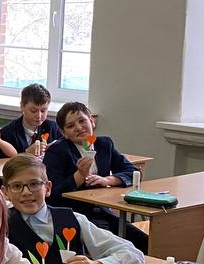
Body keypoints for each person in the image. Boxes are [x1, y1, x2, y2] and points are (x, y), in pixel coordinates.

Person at [1, 154, 143, 264]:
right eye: (17, 186)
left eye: (34, 184)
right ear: (5, 192)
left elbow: (133, 254)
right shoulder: (0, 225)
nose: (26, 192)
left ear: (48, 188)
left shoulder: (73, 219)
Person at [42, 101, 146, 250]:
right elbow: (52, 194)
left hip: (103, 211)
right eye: (70, 126)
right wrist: (79, 175)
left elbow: (132, 172)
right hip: (76, 214)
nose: (78, 128)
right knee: (113, 245)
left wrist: (107, 180)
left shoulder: (104, 144)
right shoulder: (57, 151)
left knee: (143, 241)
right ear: (63, 133)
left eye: (82, 121)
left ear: (92, 121)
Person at [0, 83, 62, 157]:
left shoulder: (53, 128)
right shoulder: (7, 133)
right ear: (22, 106)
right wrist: (26, 153)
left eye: (43, 111)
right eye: (33, 111)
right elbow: (1, 162)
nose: (39, 116)